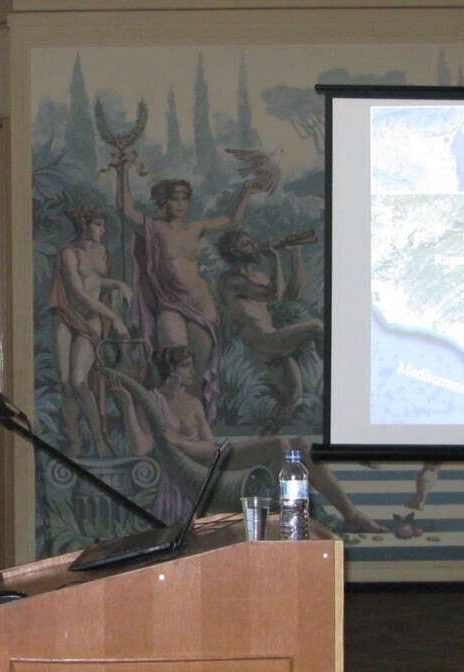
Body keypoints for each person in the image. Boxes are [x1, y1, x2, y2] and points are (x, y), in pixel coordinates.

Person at [107, 346, 385, 532]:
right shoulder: (154, 401)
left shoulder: (192, 402)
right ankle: (290, 515)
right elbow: (141, 446)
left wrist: (178, 441)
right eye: (187, 366)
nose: (192, 371)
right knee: (279, 445)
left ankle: (350, 515)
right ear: (171, 370)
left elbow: (207, 446)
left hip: (215, 456)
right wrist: (128, 405)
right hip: (204, 469)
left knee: (301, 445)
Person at [115, 154, 271, 421]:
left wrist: (246, 191)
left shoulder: (196, 228)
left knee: (196, 373)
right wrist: (122, 172)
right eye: (173, 198)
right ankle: (169, 425)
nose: (180, 204)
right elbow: (125, 210)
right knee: (173, 369)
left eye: (184, 198)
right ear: (161, 201)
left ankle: (197, 426)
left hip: (201, 304)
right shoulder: (153, 228)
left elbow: (231, 218)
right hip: (169, 305)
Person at [216, 227, 323, 435]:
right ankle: (335, 374)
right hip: (266, 341)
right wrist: (275, 259)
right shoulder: (229, 281)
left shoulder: (257, 275)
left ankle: (265, 440)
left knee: (293, 401)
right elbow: (273, 294)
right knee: (317, 327)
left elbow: (293, 295)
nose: (253, 246)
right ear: (234, 251)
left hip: (273, 343)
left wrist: (295, 254)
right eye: (245, 244)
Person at [49, 204, 132, 457]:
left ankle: (99, 439)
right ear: (84, 226)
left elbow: (96, 283)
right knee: (66, 383)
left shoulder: (102, 251)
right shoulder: (68, 253)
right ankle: (76, 442)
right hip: (67, 316)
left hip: (92, 319)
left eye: (103, 225)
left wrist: (118, 284)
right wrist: (114, 318)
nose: (102, 230)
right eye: (98, 225)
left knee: (79, 381)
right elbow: (79, 293)